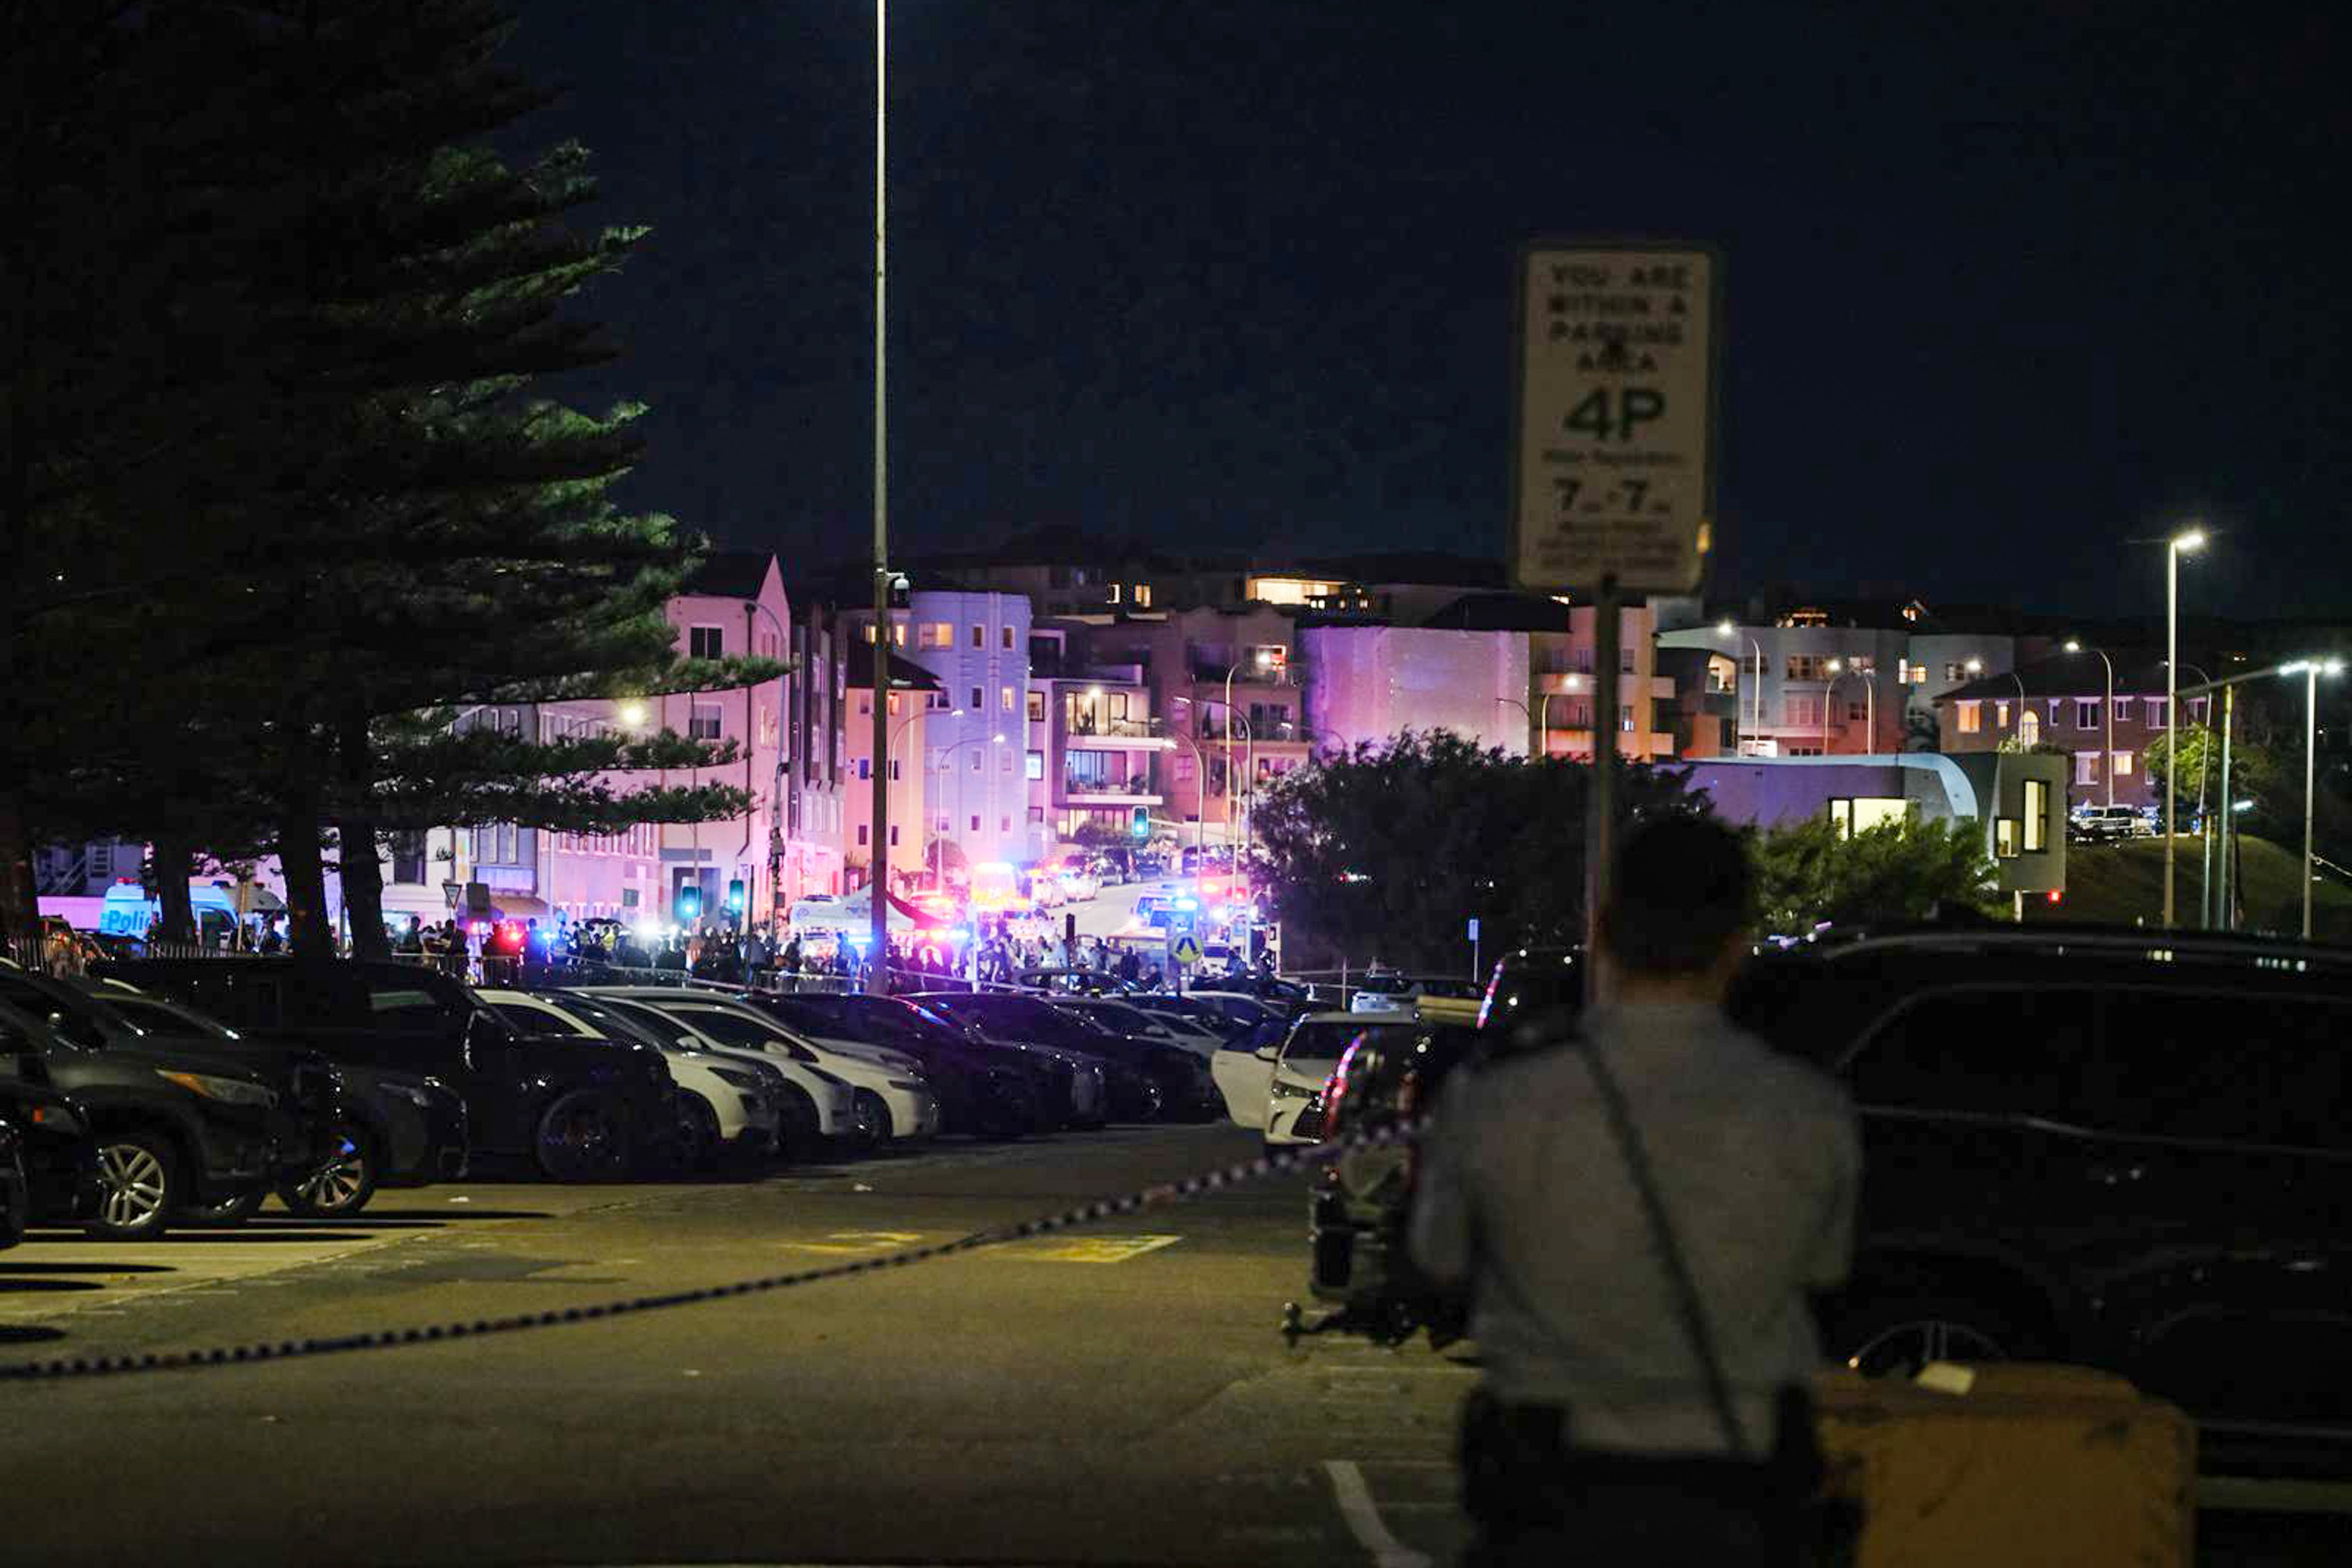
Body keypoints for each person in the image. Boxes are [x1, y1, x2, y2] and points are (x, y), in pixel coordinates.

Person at [1408, 816, 1859, 1567]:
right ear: (1738, 942)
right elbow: (1826, 1268)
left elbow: (1440, 1253)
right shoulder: (1807, 1109)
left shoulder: (1502, 1099)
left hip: (1551, 1479)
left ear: (1604, 931)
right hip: (1737, 1479)